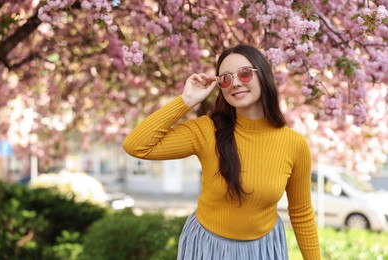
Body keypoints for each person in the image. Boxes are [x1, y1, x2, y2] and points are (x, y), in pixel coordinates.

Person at [123, 44, 321, 259]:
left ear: (263, 76)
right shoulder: (207, 130)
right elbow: (136, 145)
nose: (235, 83)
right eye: (225, 78)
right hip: (207, 247)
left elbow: (301, 213)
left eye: (245, 74)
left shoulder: (294, 144)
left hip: (264, 249)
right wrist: (186, 101)